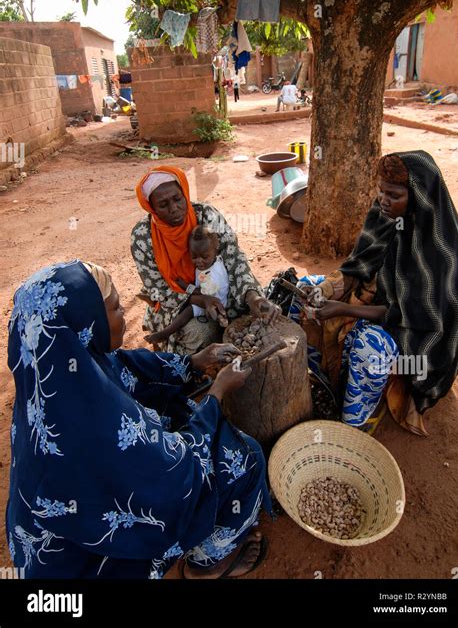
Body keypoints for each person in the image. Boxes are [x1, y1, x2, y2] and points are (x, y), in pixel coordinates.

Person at [6, 260, 271, 579]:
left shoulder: (54, 374)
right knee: (245, 456)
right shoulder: (95, 428)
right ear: (89, 324)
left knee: (180, 411)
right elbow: (180, 474)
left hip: (57, 540)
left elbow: (123, 367)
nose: (122, 318)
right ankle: (208, 564)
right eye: (117, 308)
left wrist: (192, 363)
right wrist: (217, 393)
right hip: (96, 564)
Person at [289, 151, 458, 435]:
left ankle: (354, 425)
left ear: (418, 195)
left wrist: (343, 309)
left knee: (370, 347)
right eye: (381, 191)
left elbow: (403, 315)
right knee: (302, 290)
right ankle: (319, 382)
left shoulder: (442, 251)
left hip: (420, 341)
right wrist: (323, 290)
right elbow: (357, 266)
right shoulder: (385, 215)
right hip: (379, 301)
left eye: (394, 195)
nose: (384, 200)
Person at [131, 165, 280, 355]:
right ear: (151, 207)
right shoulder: (143, 237)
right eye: (163, 205)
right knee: (198, 333)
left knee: (259, 311)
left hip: (219, 286)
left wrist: (252, 296)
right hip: (180, 302)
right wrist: (201, 299)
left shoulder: (207, 215)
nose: (174, 208)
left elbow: (234, 258)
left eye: (178, 199)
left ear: (185, 193)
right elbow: (158, 290)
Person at [145, 226, 229, 345]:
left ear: (215, 251)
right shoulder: (209, 263)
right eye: (194, 257)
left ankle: (165, 333)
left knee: (188, 310)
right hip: (207, 296)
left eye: (204, 257)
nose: (199, 261)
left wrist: (185, 287)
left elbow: (201, 292)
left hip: (216, 303)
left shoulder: (214, 274)